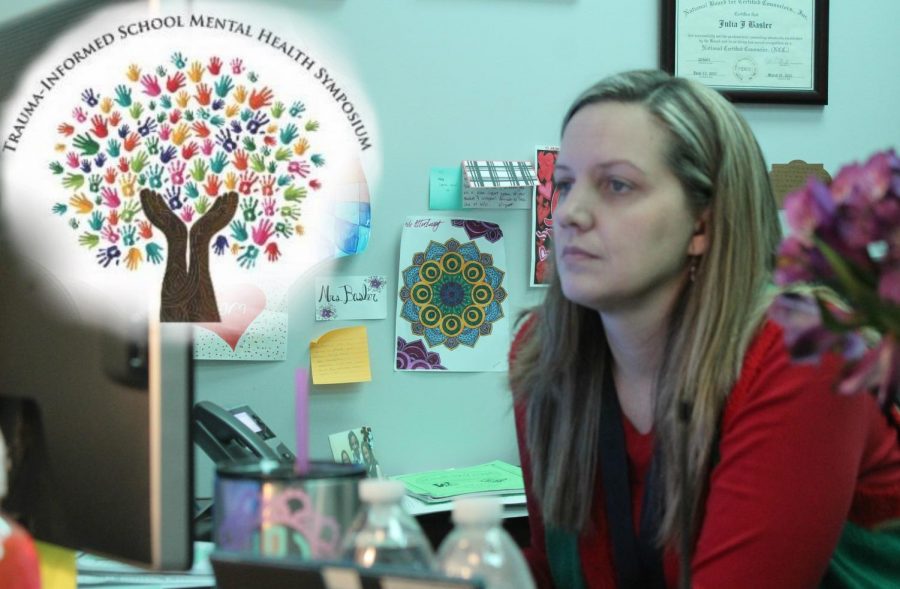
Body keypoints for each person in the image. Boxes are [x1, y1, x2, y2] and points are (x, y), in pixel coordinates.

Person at [508, 69, 900, 588]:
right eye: (564, 184)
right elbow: (561, 571)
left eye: (617, 185)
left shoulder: (805, 350)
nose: (570, 213)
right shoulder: (543, 350)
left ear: (703, 224)